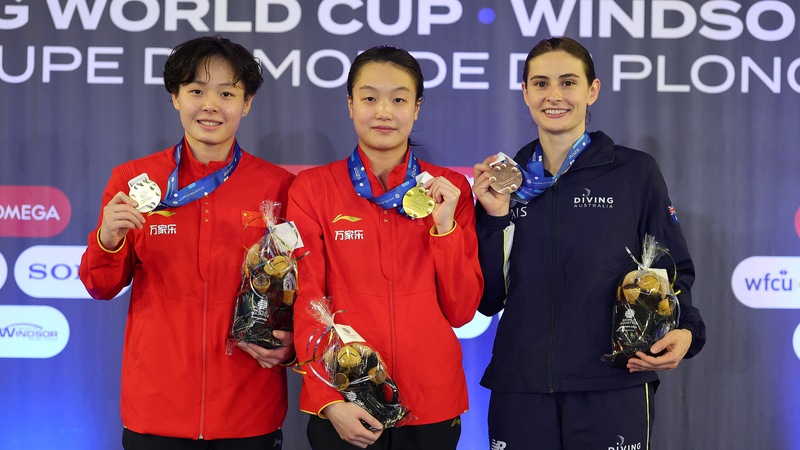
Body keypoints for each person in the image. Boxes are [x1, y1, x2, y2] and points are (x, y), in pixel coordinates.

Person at [472, 37, 706, 449]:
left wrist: (686, 328)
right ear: (524, 92)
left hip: (613, 381)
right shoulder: (503, 182)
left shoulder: (634, 171)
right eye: (541, 83)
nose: (554, 96)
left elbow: (672, 270)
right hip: (522, 387)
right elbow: (489, 297)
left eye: (568, 82)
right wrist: (493, 217)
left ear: (591, 90)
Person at [79, 36, 296, 449]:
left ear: (247, 102)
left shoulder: (280, 186)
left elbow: (301, 288)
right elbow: (100, 286)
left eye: (227, 93)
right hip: (155, 408)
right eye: (196, 91)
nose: (210, 105)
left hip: (249, 408)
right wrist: (107, 240)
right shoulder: (134, 180)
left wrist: (292, 345)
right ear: (176, 98)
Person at [287, 45, 483, 450]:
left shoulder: (449, 190)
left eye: (398, 99)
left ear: (416, 107)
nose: (383, 111)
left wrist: (444, 228)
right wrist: (327, 400)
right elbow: (307, 300)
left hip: (431, 401)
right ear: (350, 104)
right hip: (345, 397)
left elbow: (462, 311)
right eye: (370, 98)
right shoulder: (313, 188)